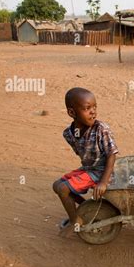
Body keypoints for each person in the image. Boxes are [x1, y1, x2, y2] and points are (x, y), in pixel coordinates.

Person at [53, 87, 118, 234]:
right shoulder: (68, 134)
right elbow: (82, 154)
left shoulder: (101, 129)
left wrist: (103, 182)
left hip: (102, 172)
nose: (93, 111)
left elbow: (112, 155)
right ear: (72, 113)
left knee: (64, 189)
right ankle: (89, 208)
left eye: (95, 107)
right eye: (87, 108)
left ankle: (76, 220)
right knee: (57, 185)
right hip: (89, 169)